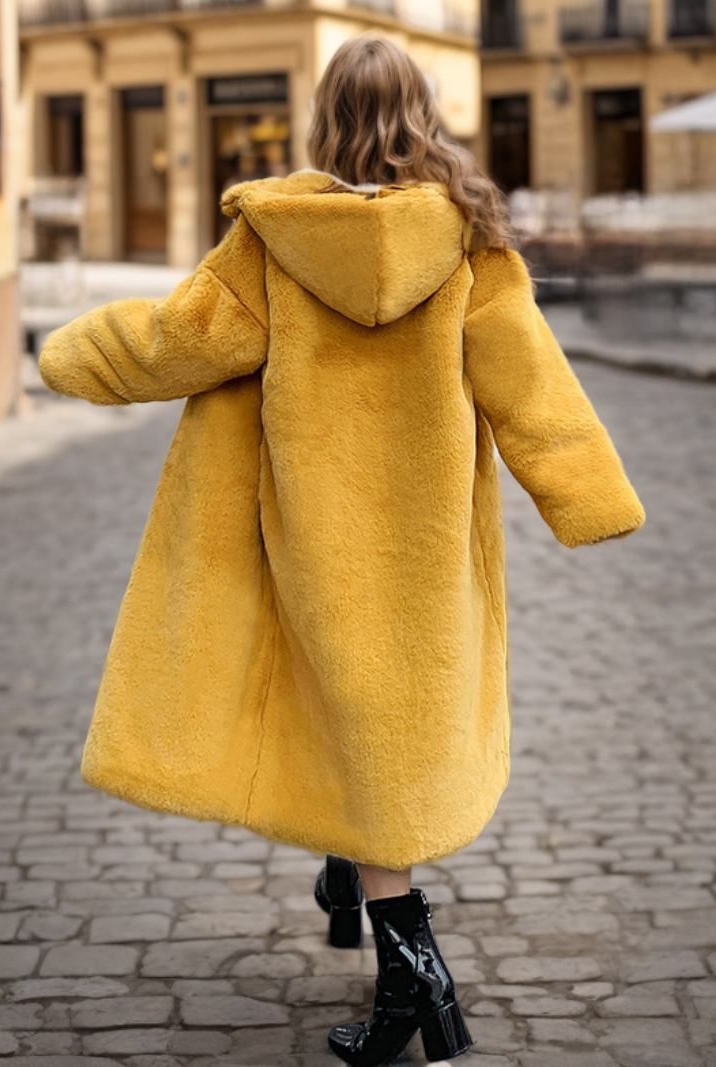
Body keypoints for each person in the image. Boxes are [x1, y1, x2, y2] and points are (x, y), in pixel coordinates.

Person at [38, 34, 646, 1067]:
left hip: (307, 540)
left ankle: (416, 976)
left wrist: (68, 351)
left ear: (325, 118)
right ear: (421, 115)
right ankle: (355, 895)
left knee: (354, 732)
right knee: (379, 722)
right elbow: (527, 379)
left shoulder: (273, 239)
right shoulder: (468, 244)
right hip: (415, 545)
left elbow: (176, 343)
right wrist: (586, 496)